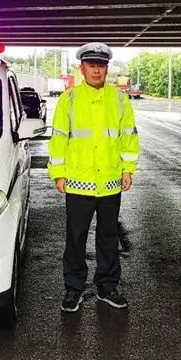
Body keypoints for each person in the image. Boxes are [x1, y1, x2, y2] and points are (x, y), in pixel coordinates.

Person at [47, 42, 140, 312]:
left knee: (108, 236)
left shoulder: (120, 99)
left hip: (110, 182)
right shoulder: (70, 99)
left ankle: (107, 286)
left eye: (101, 65)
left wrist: (127, 170)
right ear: (82, 68)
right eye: (91, 65)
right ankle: (73, 288)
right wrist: (58, 174)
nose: (96, 70)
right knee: (75, 237)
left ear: (107, 69)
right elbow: (59, 140)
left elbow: (129, 138)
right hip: (78, 181)